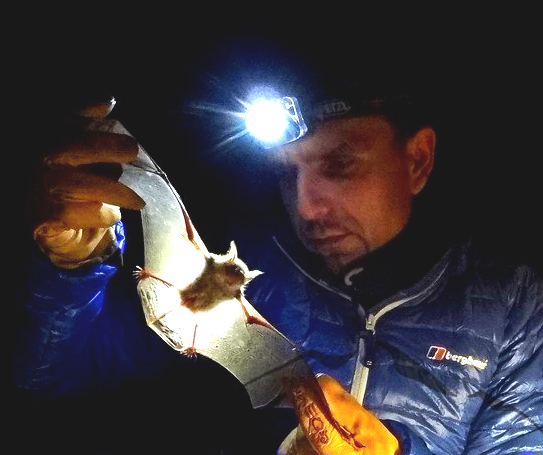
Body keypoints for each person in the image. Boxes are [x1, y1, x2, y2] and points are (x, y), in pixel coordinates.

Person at [7, 61, 543, 455]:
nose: (306, 207)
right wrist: (70, 271)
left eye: (340, 164)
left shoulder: (510, 306)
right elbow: (47, 379)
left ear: (418, 160)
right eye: (287, 172)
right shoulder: (239, 270)